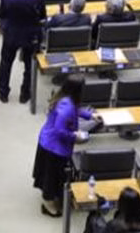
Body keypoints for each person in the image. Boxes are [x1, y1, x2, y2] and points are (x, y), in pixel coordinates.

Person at [32, 75, 103, 217]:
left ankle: (53, 198)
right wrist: (75, 136)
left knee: (53, 175)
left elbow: (76, 110)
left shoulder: (65, 98)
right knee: (52, 177)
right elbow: (60, 131)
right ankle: (48, 205)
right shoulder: (66, 109)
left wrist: (90, 115)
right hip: (54, 148)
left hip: (48, 141)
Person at [0, 0, 46, 104]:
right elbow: (42, 16)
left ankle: (3, 91)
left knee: (6, 62)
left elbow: (1, 14)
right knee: (29, 65)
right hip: (31, 35)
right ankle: (25, 93)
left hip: (11, 34)